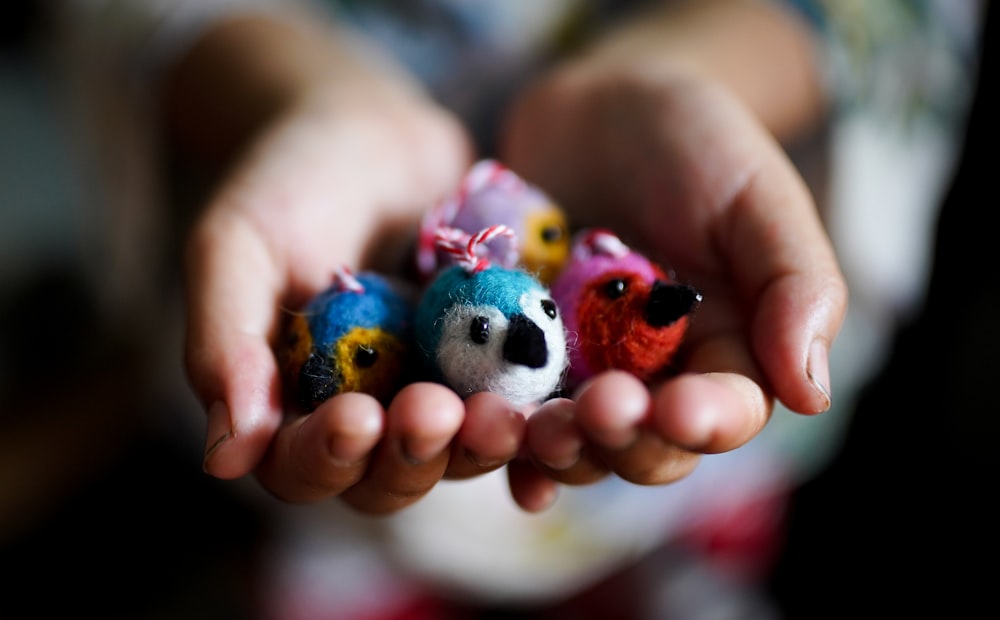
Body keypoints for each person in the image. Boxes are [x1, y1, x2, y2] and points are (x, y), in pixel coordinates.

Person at [43, 0, 982, 617]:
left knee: (694, 486)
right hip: (320, 260)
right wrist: (295, 90)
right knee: (339, 505)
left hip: (683, 445)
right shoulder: (423, 304)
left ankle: (687, 568)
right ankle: (349, 584)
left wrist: (699, 67)